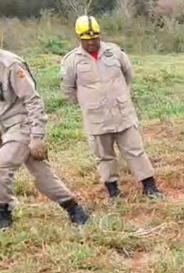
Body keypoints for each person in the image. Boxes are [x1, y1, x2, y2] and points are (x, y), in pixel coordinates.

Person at [60, 15, 163, 201]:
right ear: (79, 38)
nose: (91, 42)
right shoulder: (72, 61)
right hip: (96, 118)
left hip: (122, 113)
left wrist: (120, 95)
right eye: (87, 40)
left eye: (95, 38)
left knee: (135, 150)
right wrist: (88, 102)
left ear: (100, 35)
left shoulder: (114, 52)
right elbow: (68, 89)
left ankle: (150, 187)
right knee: (104, 156)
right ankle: (113, 191)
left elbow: (128, 74)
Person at [0, 49, 90, 229]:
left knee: (2, 165)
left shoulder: (10, 64)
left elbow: (32, 100)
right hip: (7, 127)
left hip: (23, 125)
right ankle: (74, 209)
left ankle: (4, 212)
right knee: (42, 176)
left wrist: (37, 137)